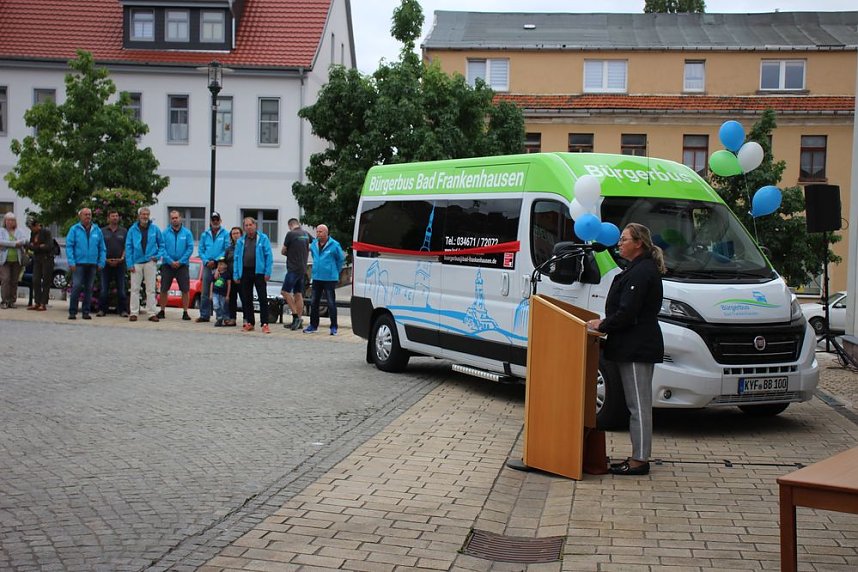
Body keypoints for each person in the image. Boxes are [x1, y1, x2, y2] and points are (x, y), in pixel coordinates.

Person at [586, 223, 665, 477]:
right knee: (636, 404)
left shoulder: (642, 271)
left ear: (638, 243)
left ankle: (639, 460)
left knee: (638, 405)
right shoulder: (636, 268)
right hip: (630, 345)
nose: (619, 243)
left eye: (624, 239)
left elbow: (628, 312)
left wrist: (602, 324)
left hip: (636, 347)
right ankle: (637, 456)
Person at [233, 217, 273, 333]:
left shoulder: (263, 238)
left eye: (250, 225)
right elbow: (236, 258)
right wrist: (236, 274)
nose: (249, 227)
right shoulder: (241, 241)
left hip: (259, 272)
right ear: (244, 227)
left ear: (255, 226)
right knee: (246, 298)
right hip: (245, 271)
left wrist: (267, 272)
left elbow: (268, 256)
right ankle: (250, 322)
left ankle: (265, 323)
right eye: (246, 225)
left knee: (262, 298)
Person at [304, 224, 345, 336]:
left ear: (326, 233)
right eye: (317, 232)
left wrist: (335, 271)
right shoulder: (313, 245)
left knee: (331, 303)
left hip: (329, 279)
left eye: (321, 232)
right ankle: (313, 325)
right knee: (314, 302)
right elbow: (314, 256)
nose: (318, 234)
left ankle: (333, 327)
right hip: (317, 277)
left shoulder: (334, 245)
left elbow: (340, 259)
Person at [66, 208, 106, 319]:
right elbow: (69, 246)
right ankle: (72, 311)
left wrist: (101, 262)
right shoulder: (74, 229)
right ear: (80, 216)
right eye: (86, 214)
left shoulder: (97, 230)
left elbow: (102, 248)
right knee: (77, 286)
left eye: (90, 214)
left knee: (89, 288)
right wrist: (71, 261)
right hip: (78, 263)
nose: (88, 216)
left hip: (92, 264)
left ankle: (86, 312)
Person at [125, 206, 164, 322]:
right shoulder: (132, 230)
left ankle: (151, 313)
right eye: (143, 214)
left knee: (151, 289)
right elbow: (128, 247)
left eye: (147, 214)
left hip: (150, 262)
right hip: (136, 262)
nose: (145, 216)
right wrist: (129, 263)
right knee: (135, 289)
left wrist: (157, 256)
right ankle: (134, 313)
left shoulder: (155, 229)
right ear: (139, 216)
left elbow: (162, 244)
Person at [158, 210, 194, 321]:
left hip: (182, 265)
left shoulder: (187, 233)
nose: (174, 220)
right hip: (167, 265)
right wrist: (170, 261)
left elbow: (190, 248)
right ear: (170, 219)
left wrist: (180, 261)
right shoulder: (164, 233)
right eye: (172, 218)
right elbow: (162, 248)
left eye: (176, 217)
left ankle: (185, 312)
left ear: (180, 218)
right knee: (164, 289)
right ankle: (162, 310)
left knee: (185, 289)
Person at [197, 211, 229, 323]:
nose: (215, 221)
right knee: (205, 291)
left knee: (220, 291)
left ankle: (221, 316)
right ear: (210, 221)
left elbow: (226, 249)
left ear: (220, 220)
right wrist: (206, 261)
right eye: (213, 220)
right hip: (207, 266)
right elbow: (201, 250)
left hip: (220, 266)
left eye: (217, 219)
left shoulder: (225, 234)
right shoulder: (205, 234)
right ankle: (204, 315)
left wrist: (216, 261)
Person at [280, 217, 312, 330]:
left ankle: (295, 317)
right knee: (298, 294)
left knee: (284, 291)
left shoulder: (290, 234)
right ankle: (299, 320)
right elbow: (314, 244)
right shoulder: (306, 233)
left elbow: (283, 250)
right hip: (303, 268)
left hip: (293, 268)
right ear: (298, 224)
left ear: (290, 225)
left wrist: (291, 253)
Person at [97, 210, 128, 317]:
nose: (115, 218)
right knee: (104, 289)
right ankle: (102, 310)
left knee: (121, 289)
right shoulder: (102, 231)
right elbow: (99, 247)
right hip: (106, 263)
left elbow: (126, 246)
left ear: (119, 218)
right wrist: (105, 259)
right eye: (112, 216)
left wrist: (122, 258)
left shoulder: (124, 231)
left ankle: (123, 310)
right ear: (108, 218)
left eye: (116, 216)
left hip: (120, 264)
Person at [0, 212, 29, 309]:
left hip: (17, 260)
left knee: (14, 281)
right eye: (8, 220)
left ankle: (12, 301)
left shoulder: (19, 231)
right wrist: (14, 244)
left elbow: (25, 240)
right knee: (5, 279)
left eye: (12, 220)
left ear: (15, 222)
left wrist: (16, 243)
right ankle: (4, 300)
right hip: (4, 260)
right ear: (5, 221)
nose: (10, 222)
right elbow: (1, 241)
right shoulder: (1, 231)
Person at [26, 216, 54, 312]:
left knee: (46, 281)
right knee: (35, 280)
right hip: (37, 258)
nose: (31, 229)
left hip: (47, 258)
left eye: (32, 227)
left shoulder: (46, 232)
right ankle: (37, 302)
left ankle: (43, 303)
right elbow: (30, 245)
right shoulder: (33, 233)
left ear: (37, 225)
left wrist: (36, 246)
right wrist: (38, 246)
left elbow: (49, 246)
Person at [223, 226, 242, 327]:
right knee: (232, 299)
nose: (236, 235)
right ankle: (232, 318)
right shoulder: (228, 249)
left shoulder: (245, 247)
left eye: (237, 233)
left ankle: (246, 319)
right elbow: (224, 262)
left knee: (245, 298)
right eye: (233, 233)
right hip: (231, 278)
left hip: (242, 277)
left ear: (241, 234)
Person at [211, 257, 231, 327]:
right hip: (215, 293)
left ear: (226, 265)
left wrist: (228, 295)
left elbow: (229, 284)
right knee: (216, 305)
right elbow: (212, 283)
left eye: (222, 264)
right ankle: (219, 317)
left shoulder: (227, 274)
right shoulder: (215, 274)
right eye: (219, 264)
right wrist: (211, 294)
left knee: (223, 307)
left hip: (223, 294)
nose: (220, 266)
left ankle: (224, 318)